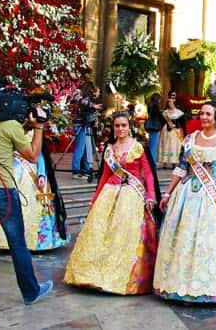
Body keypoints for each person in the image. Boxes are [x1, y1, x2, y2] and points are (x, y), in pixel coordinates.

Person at [154, 102, 216, 303]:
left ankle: (215, 290)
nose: (204, 117)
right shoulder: (189, 140)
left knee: (212, 241)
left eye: (208, 114)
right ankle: (181, 285)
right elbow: (181, 169)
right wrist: (167, 193)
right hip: (188, 196)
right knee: (185, 238)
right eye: (202, 114)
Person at [0, 103, 53, 315]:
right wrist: (38, 127)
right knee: (18, 244)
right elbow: (32, 155)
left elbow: (2, 140)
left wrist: (24, 124)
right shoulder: (10, 126)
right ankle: (31, 291)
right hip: (2, 192)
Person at [64, 111, 160, 294]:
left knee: (123, 235)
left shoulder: (138, 147)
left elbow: (147, 173)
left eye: (123, 125)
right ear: (113, 128)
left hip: (132, 196)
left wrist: (150, 195)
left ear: (129, 126)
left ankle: (123, 277)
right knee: (100, 233)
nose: (121, 129)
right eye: (117, 126)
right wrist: (94, 200)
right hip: (109, 194)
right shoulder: (109, 149)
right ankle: (92, 275)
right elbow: (105, 177)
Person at [0, 133, 69, 251]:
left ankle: (32, 240)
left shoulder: (34, 131)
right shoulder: (9, 127)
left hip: (30, 170)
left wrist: (42, 174)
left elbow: (39, 154)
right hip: (11, 169)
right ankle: (5, 240)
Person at [71, 81, 102, 179]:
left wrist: (95, 117)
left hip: (87, 125)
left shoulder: (88, 100)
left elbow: (90, 109)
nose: (94, 93)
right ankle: (76, 171)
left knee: (86, 149)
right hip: (80, 124)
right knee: (80, 149)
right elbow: (81, 101)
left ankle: (86, 170)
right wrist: (93, 106)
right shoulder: (78, 93)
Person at [158, 91, 185, 169]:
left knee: (174, 146)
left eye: (171, 102)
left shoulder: (179, 113)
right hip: (165, 132)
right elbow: (162, 122)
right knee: (165, 146)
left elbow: (182, 124)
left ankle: (174, 162)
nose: (169, 103)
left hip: (175, 132)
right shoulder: (164, 113)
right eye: (168, 102)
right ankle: (165, 162)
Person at [145, 93, 164, 166]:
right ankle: (152, 163)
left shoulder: (150, 105)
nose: (160, 101)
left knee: (151, 144)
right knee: (154, 146)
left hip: (151, 127)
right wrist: (161, 113)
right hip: (155, 128)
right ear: (157, 99)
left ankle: (150, 162)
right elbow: (157, 115)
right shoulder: (155, 106)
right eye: (159, 99)